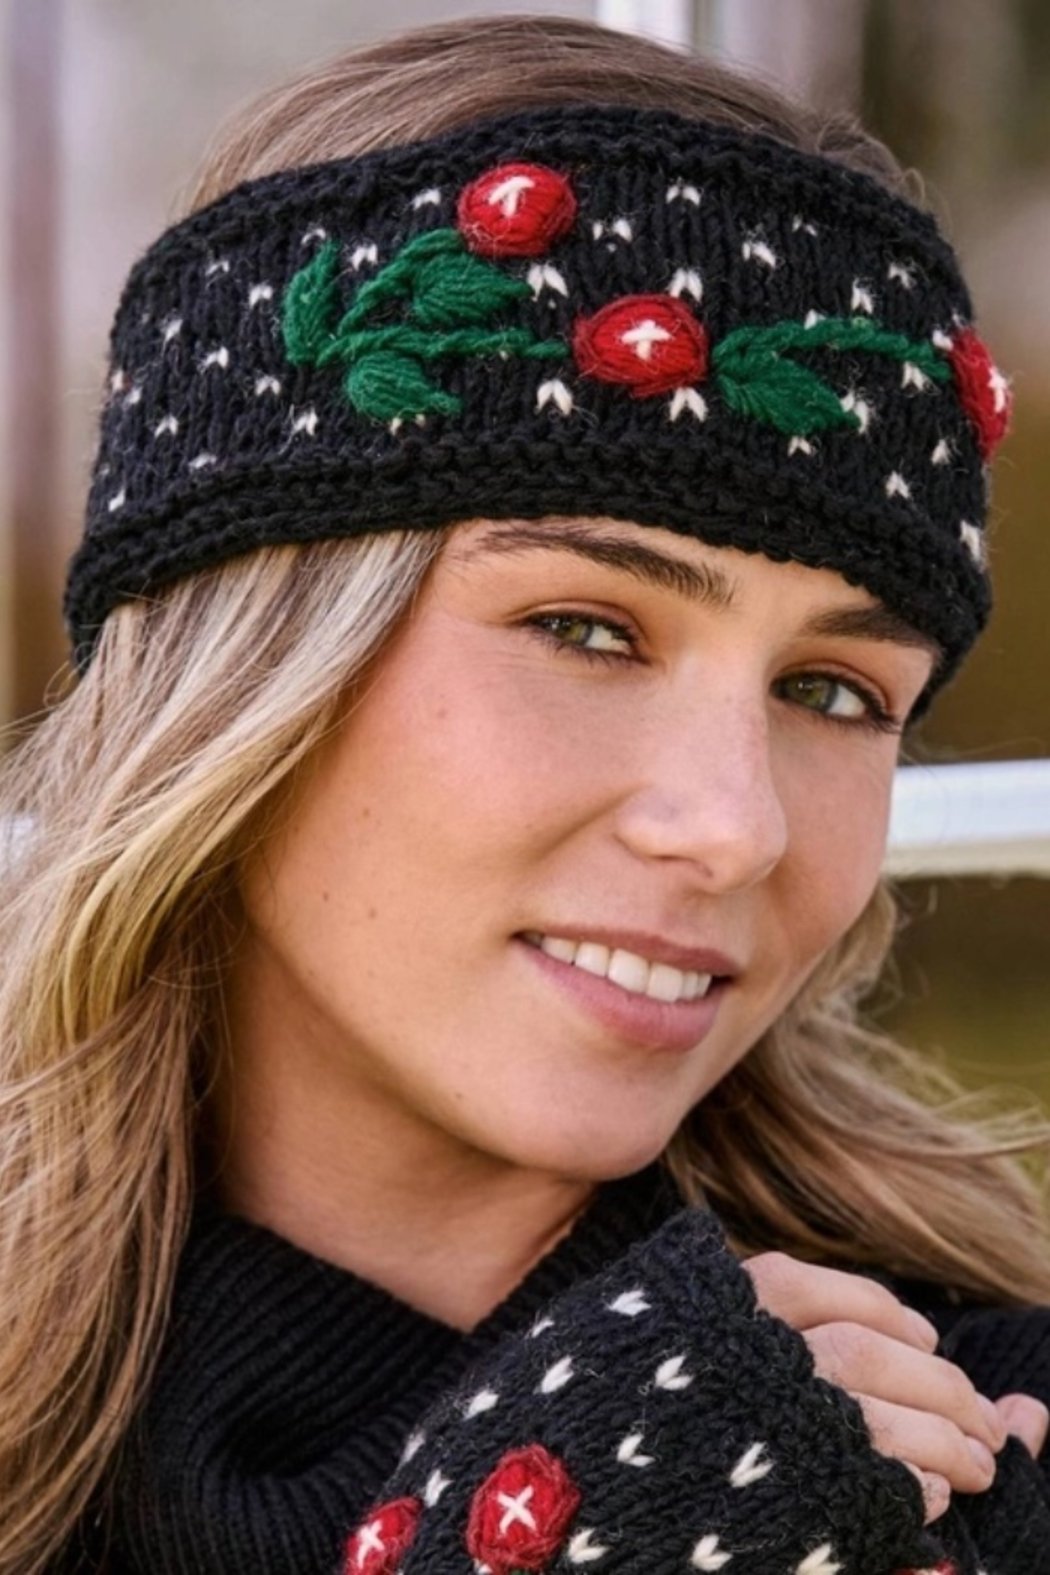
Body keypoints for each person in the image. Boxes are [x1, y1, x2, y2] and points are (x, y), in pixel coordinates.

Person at [2, 13, 1049, 1574]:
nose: (734, 826)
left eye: (834, 693)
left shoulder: (959, 1452)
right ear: (249, 672)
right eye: (585, 628)